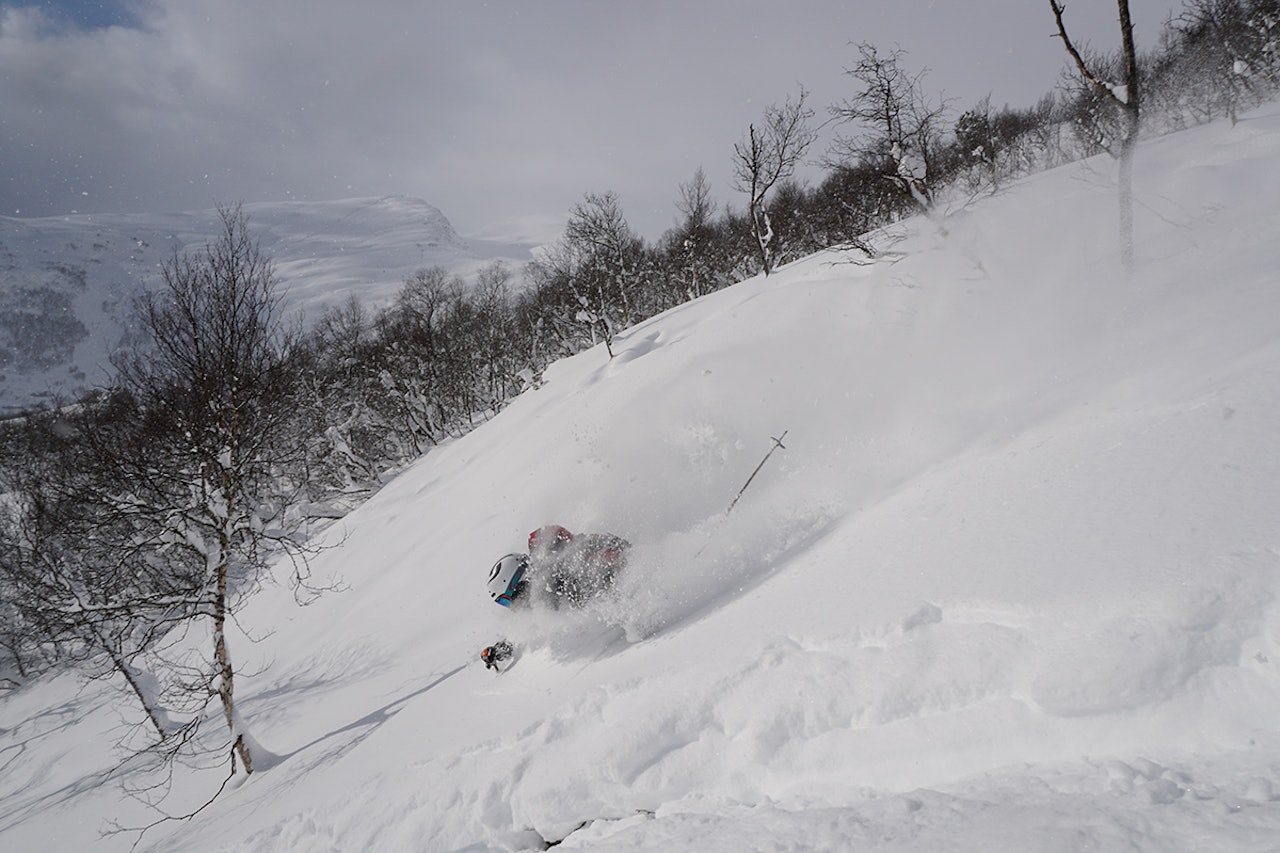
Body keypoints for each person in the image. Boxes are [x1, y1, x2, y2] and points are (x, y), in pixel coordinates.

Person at [486, 524, 630, 610]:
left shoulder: (553, 575)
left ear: (516, 583)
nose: (512, 607)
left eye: (506, 600)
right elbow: (533, 631)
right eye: (503, 603)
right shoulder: (542, 596)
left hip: (623, 570)